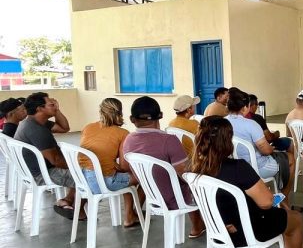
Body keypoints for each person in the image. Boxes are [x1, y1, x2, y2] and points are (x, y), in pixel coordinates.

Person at [190, 116, 303, 248]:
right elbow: (266, 202)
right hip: (247, 232)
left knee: (279, 213)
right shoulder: (238, 168)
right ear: (227, 141)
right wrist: (274, 199)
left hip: (218, 231)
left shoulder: (194, 169)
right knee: (295, 218)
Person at [122, 96, 206, 238]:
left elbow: (126, 167)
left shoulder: (128, 140)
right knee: (196, 181)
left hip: (152, 197)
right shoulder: (169, 140)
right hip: (174, 198)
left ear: (132, 119)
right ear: (160, 115)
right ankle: (198, 226)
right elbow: (185, 175)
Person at [15, 92, 79, 219]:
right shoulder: (36, 130)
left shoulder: (34, 122)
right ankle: (79, 212)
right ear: (40, 108)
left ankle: (66, 201)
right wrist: (77, 166)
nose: (54, 105)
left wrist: (57, 110)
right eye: (51, 104)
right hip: (43, 174)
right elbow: (56, 160)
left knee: (84, 170)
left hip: (33, 171)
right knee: (89, 177)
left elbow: (64, 128)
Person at [79, 98, 140, 227]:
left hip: (81, 181)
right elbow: (124, 166)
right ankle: (130, 216)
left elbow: (98, 157)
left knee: (124, 176)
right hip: (101, 184)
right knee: (138, 176)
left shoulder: (88, 127)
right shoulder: (123, 133)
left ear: (101, 111)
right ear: (120, 112)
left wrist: (115, 166)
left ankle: (130, 215)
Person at [225, 88, 294, 198]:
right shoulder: (251, 124)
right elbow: (266, 151)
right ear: (245, 107)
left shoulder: (223, 123)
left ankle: (268, 192)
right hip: (256, 168)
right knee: (289, 158)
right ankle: (283, 197)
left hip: (233, 167)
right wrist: (271, 148)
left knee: (279, 159)